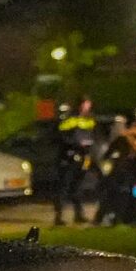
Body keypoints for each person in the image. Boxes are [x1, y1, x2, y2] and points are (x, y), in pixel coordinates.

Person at [52, 96, 100, 226]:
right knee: (64, 186)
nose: (87, 107)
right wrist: (76, 144)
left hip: (83, 157)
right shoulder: (70, 118)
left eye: (89, 105)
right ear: (80, 105)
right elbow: (62, 136)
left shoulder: (89, 118)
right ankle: (58, 216)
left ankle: (78, 215)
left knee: (77, 186)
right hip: (69, 157)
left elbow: (93, 135)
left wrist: (89, 147)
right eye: (85, 104)